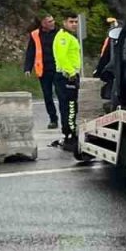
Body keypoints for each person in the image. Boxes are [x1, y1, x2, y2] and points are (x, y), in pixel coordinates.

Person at [23, 15, 60, 130]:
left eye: (53, 20)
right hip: (43, 70)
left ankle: (65, 117)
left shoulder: (60, 33)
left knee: (61, 95)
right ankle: (53, 119)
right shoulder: (35, 35)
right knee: (47, 96)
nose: (53, 23)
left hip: (58, 68)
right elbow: (31, 52)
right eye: (49, 21)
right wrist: (27, 68)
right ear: (43, 24)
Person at [52, 15, 82, 150]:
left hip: (69, 75)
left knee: (71, 106)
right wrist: (71, 73)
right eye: (71, 22)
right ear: (64, 22)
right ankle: (69, 136)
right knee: (69, 107)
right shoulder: (63, 37)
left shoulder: (69, 36)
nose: (74, 24)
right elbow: (62, 57)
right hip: (66, 77)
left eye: (76, 22)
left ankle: (70, 134)